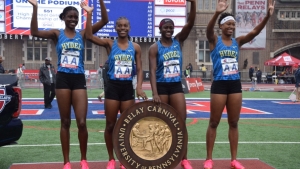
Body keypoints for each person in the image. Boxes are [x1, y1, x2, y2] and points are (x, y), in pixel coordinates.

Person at [28, 0, 108, 168]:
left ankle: (84, 159)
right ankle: (66, 162)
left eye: (76, 17)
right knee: (65, 122)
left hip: (78, 79)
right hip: (63, 79)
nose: (73, 19)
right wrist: (35, 8)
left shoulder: (83, 34)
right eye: (70, 16)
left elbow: (105, 21)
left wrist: (91, 10)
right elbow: (34, 31)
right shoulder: (57, 34)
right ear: (64, 17)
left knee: (82, 122)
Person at [203, 0, 275, 169]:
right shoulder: (214, 40)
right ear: (221, 26)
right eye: (228, 24)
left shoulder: (238, 42)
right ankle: (209, 159)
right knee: (214, 122)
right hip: (219, 85)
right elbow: (208, 31)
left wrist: (267, 16)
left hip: (234, 85)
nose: (231, 27)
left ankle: (234, 160)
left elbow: (255, 31)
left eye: (233, 25)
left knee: (234, 123)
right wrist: (216, 13)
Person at [84, 6, 148, 169]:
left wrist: (139, 87)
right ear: (115, 28)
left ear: (129, 28)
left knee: (128, 125)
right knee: (111, 124)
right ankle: (111, 158)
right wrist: (89, 14)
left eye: (125, 26)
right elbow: (89, 36)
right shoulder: (109, 43)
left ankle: (124, 159)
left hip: (127, 88)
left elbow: (140, 69)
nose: (122, 28)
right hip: (112, 87)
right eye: (119, 25)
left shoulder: (136, 47)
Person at [148, 0, 195, 168]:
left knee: (181, 121)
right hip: (161, 86)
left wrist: (193, 4)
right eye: (165, 28)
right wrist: (154, 93)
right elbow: (152, 71)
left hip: (175, 85)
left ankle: (184, 158)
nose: (168, 30)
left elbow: (190, 24)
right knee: (162, 123)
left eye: (171, 28)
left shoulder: (178, 41)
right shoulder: (154, 48)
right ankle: (162, 156)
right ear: (160, 29)